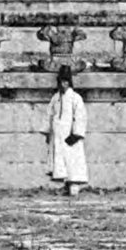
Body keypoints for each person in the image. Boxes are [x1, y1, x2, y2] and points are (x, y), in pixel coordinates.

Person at [46, 66, 88, 195]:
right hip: (58, 134)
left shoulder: (75, 98)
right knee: (61, 160)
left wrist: (76, 133)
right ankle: (66, 184)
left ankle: (74, 186)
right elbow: (50, 114)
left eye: (65, 81)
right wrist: (48, 132)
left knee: (73, 159)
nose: (63, 84)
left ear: (69, 82)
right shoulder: (56, 98)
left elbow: (80, 116)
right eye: (61, 81)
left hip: (70, 134)